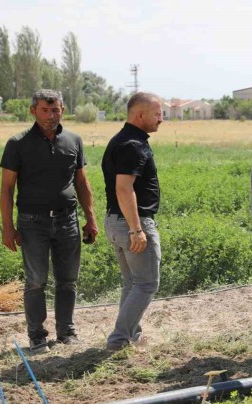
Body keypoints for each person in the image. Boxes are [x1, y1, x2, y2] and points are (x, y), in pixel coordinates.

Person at [0, 89, 98, 353]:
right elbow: (7, 188)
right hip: (33, 223)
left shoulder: (73, 140)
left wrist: (91, 219)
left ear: (62, 110)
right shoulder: (17, 143)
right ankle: (37, 337)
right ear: (33, 111)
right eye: (44, 110)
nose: (50, 115)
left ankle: (66, 332)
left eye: (55, 110)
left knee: (68, 281)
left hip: (68, 221)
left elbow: (81, 182)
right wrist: (8, 227)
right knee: (36, 281)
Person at [101, 92, 164, 351]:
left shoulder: (124, 140)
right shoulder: (133, 145)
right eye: (157, 114)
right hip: (131, 223)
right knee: (147, 283)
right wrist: (137, 229)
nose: (162, 118)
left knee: (133, 283)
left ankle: (132, 335)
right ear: (140, 115)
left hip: (117, 221)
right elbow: (124, 189)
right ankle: (118, 340)